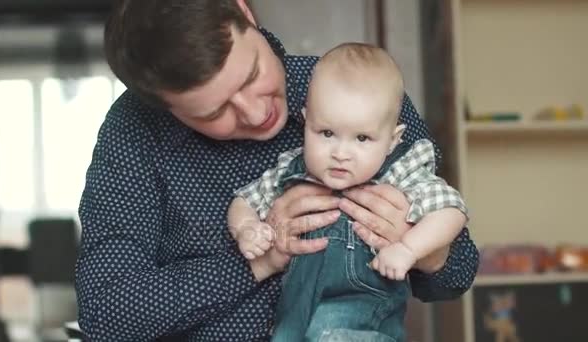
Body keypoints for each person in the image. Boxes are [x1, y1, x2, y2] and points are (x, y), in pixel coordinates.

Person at [74, 1, 479, 341]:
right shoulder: (134, 133)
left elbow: (457, 274)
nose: (255, 112)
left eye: (251, 75)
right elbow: (107, 314)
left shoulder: (359, 95)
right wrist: (259, 261)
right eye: (215, 111)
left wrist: (415, 244)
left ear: (244, 12)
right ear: (167, 110)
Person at [228, 43, 468, 341]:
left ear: (392, 141)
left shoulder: (401, 173)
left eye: (362, 138)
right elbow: (244, 200)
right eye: (327, 133)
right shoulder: (290, 169)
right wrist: (247, 228)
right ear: (306, 122)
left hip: (362, 325)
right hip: (295, 319)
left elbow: (451, 212)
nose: (341, 153)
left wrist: (409, 248)